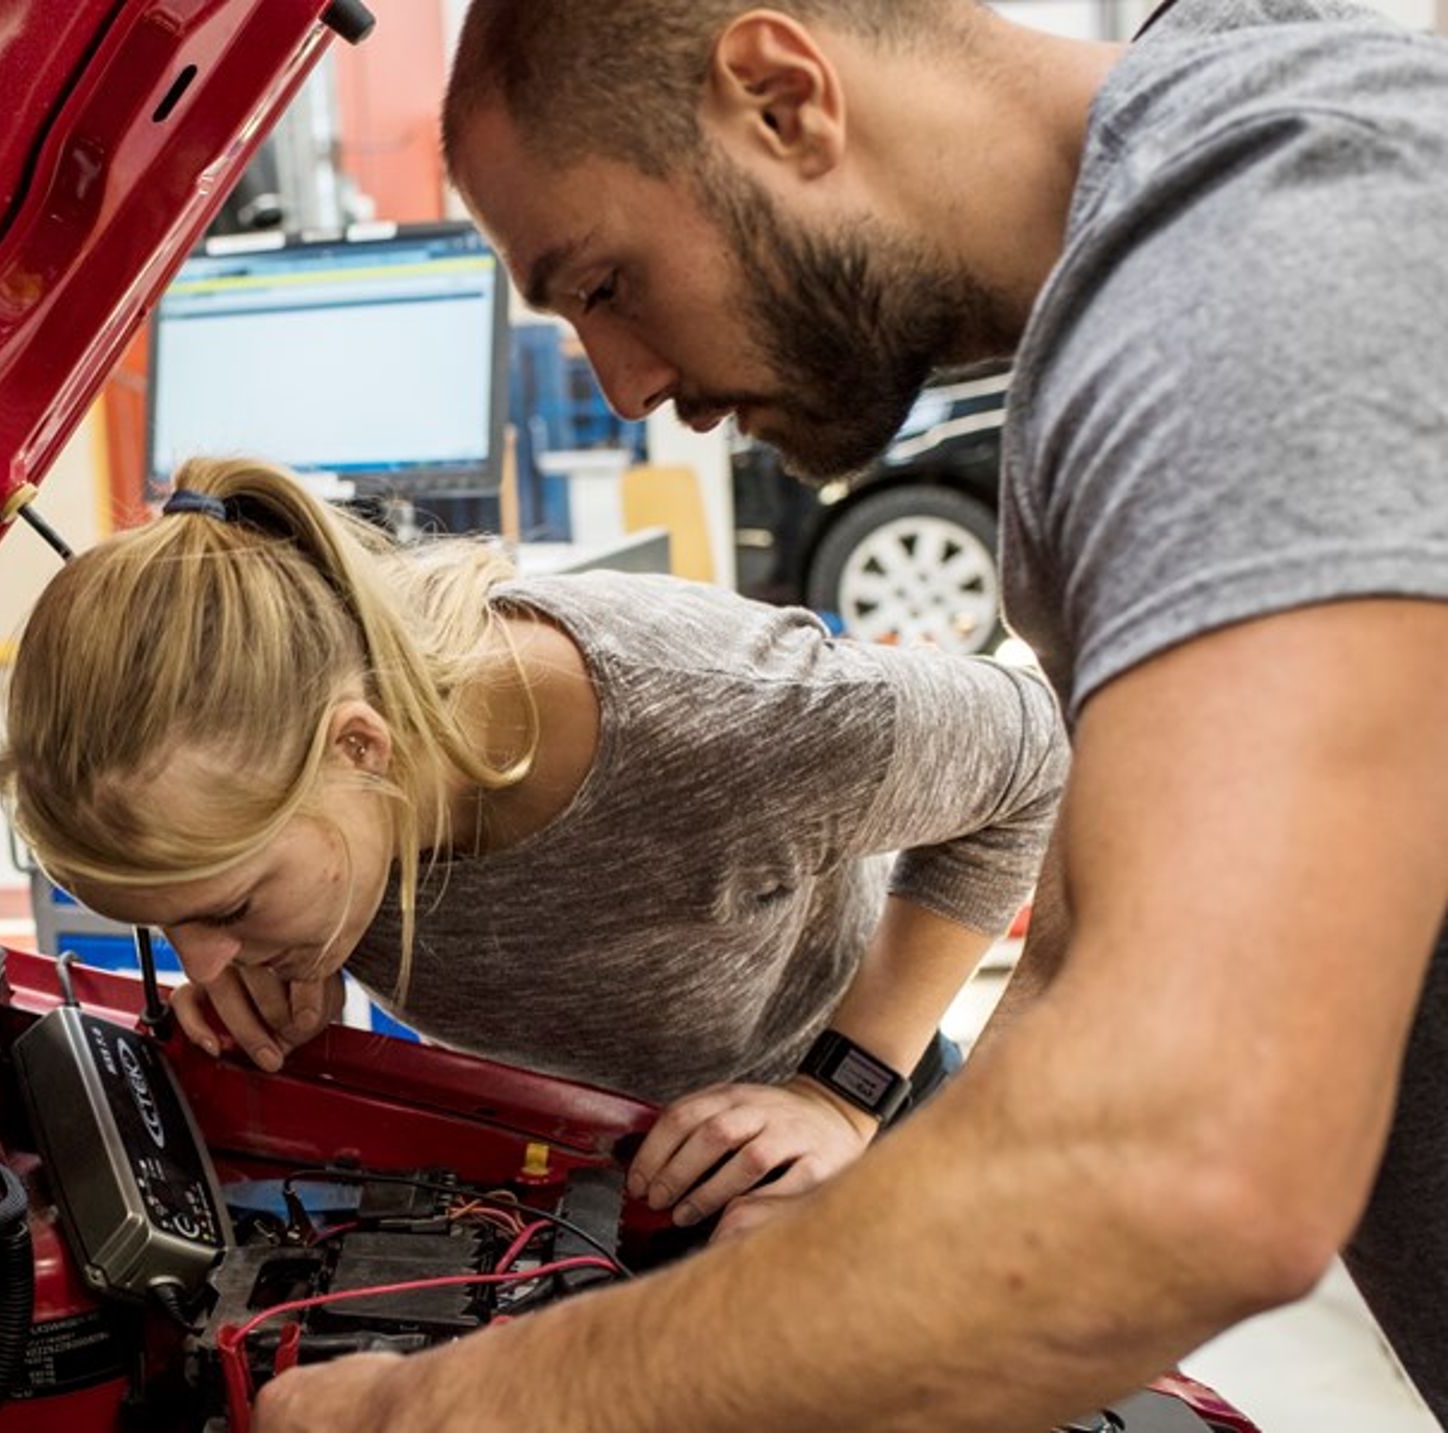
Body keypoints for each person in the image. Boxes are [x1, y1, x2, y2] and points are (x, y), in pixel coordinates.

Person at [246, 1, 1448, 1429]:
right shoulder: (1142, 283)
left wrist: (441, 1411)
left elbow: (1183, 1163)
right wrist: (849, 1224)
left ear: (780, 96)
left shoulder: (1262, 264)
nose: (628, 387)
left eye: (607, 281)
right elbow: (1084, 952)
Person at [0, 454, 1067, 1238]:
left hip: (818, 1140)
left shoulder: (715, 718)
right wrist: (300, 968)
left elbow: (1034, 755)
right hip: (578, 1166)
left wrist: (841, 1091)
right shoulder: (306, 755)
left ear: (360, 746)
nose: (203, 964)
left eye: (228, 909)